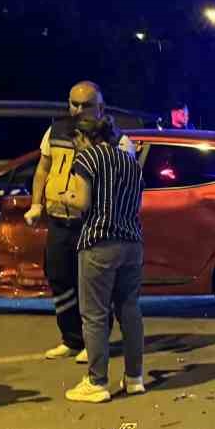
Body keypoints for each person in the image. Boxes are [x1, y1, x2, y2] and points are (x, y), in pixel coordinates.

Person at [25, 82, 136, 362]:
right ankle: (71, 339)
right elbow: (43, 170)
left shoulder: (118, 141)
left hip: (91, 224)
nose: (77, 110)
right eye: (73, 103)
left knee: (93, 287)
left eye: (85, 105)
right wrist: (37, 204)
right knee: (59, 278)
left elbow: (121, 185)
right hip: (58, 221)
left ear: (101, 107)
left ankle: (95, 343)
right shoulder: (55, 132)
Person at [64, 115, 145, 402]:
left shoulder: (87, 158)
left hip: (99, 242)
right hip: (132, 243)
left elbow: (82, 201)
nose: (75, 146)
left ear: (83, 137)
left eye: (75, 140)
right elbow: (137, 204)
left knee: (95, 315)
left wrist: (65, 196)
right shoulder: (131, 163)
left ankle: (97, 382)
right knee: (130, 310)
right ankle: (134, 378)